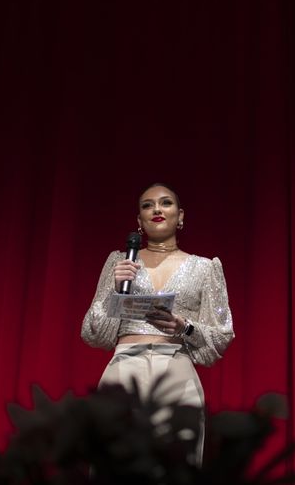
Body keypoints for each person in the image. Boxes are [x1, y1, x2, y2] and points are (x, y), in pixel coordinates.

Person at [81, 183, 234, 461]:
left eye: (165, 203)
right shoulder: (120, 262)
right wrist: (115, 290)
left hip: (176, 368)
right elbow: (94, 333)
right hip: (124, 368)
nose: (157, 209)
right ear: (139, 221)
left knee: (175, 465)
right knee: (116, 467)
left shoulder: (205, 267)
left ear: (181, 215)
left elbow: (221, 336)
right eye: (147, 205)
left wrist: (184, 327)